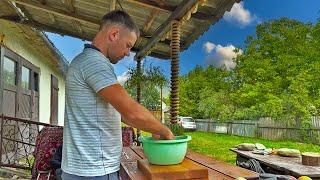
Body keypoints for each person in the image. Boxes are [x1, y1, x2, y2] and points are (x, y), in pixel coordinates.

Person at [61, 10, 174, 180]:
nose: (128, 53)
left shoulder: (86, 61)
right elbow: (131, 112)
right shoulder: (94, 63)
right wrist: (165, 132)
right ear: (114, 34)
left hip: (87, 169)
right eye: (128, 45)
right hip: (94, 171)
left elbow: (121, 114)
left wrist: (151, 127)